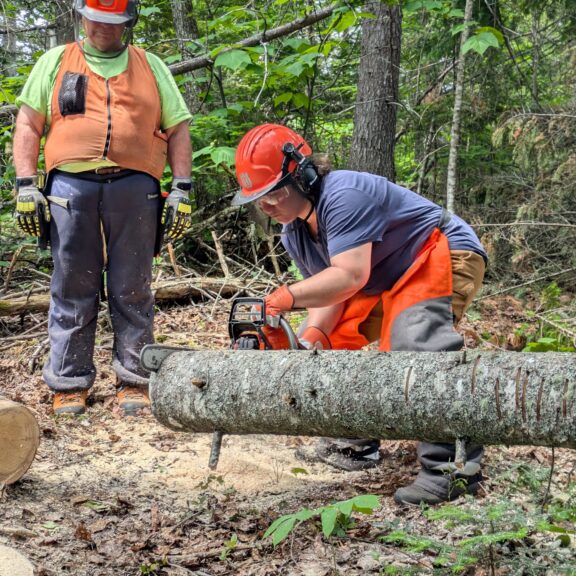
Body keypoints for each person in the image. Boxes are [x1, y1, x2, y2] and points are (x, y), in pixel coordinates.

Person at [231, 123, 487, 506]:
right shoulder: (294, 231)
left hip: (438, 252)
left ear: (304, 174)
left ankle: (451, 470)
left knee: (417, 344)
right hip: (382, 277)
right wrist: (309, 343)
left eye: (273, 192)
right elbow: (329, 292)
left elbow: (349, 275)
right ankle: (354, 442)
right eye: (258, 198)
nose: (266, 204)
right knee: (330, 342)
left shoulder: (345, 194)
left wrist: (284, 297)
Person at [12, 0, 193, 416]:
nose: (102, 28)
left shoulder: (150, 66)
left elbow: (178, 127)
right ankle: (69, 381)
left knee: (133, 285)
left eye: (113, 21)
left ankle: (134, 377)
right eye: (96, 19)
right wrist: (26, 184)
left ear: (128, 21)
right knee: (73, 284)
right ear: (82, 17)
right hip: (70, 186)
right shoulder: (56, 61)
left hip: (135, 186)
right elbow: (28, 122)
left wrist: (181, 188)